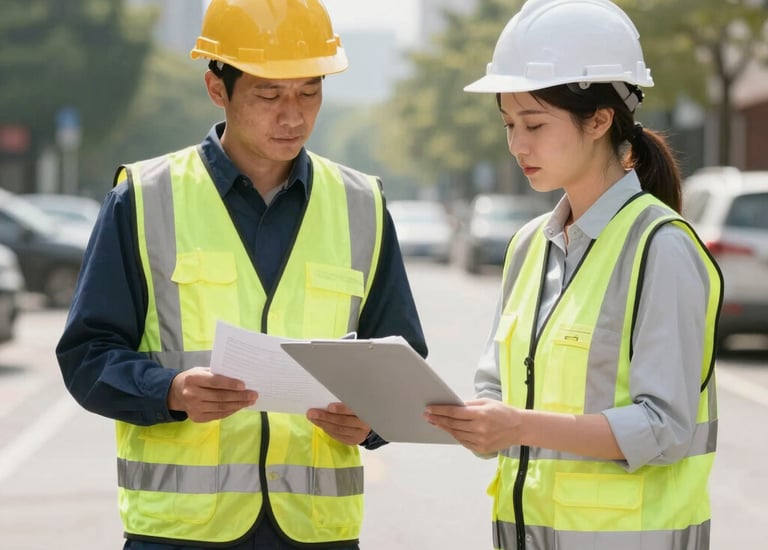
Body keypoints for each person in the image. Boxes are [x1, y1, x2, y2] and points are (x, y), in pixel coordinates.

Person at [55, 1, 427, 548]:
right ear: (217, 88)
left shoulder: (361, 204)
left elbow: (402, 361)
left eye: (309, 91)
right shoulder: (144, 197)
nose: (293, 115)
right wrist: (171, 390)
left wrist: (371, 422)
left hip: (316, 530)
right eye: (269, 94)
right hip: (180, 534)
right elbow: (87, 354)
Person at [424, 1, 723, 549]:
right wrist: (475, 423)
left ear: (600, 120)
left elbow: (665, 428)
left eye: (534, 124)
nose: (517, 144)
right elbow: (499, 389)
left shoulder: (662, 247)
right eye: (510, 124)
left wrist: (518, 426)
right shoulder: (527, 247)